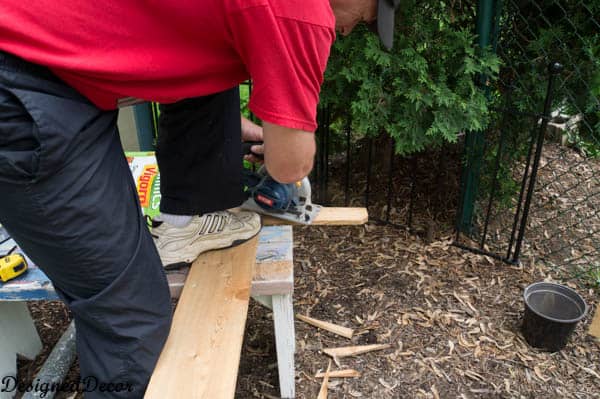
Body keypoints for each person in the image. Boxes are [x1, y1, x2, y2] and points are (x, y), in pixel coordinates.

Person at [0, 0, 399, 397]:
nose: (346, 31)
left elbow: (180, 43)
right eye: (363, 20)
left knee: (221, 66)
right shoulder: (302, 11)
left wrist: (237, 130)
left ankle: (186, 222)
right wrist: (288, 143)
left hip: (40, 58)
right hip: (23, 87)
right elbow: (289, 167)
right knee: (129, 316)